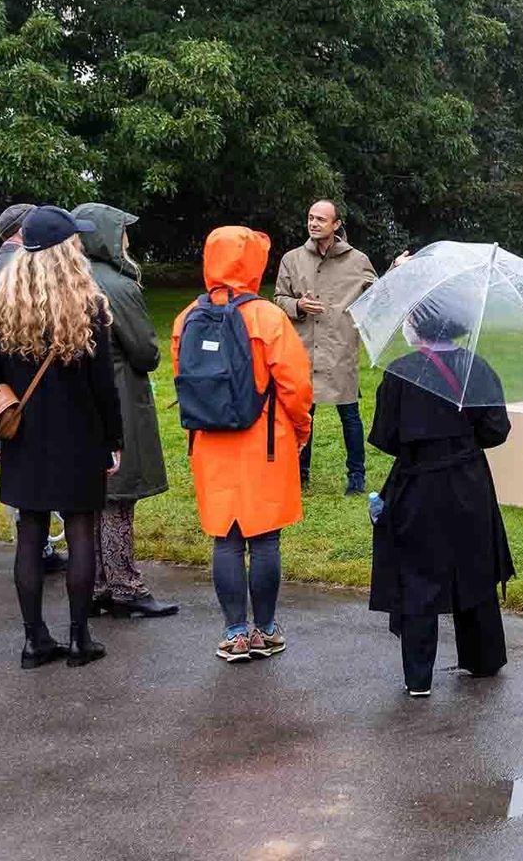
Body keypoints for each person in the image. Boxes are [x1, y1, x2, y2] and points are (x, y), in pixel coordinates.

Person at [172, 227, 313, 664]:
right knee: (265, 539)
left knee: (226, 539)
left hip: (210, 444)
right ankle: (265, 630)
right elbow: (295, 387)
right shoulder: (268, 318)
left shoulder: (185, 318)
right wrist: (301, 429)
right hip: (264, 443)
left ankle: (234, 632)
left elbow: (183, 380)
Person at [0, 206, 122, 668]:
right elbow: (104, 387)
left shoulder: (2, 306)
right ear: (65, 250)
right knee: (81, 530)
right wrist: (114, 440)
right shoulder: (89, 307)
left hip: (24, 437)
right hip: (79, 437)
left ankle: (34, 640)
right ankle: (79, 638)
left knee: (29, 533)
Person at [368, 301, 514, 698]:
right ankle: (483, 659)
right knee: (474, 567)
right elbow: (497, 429)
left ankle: (418, 678)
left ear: (420, 324)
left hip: (418, 485)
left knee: (418, 575)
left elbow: (386, 436)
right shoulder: (476, 367)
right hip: (470, 483)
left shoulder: (400, 372)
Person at [74, 203, 178, 619]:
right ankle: (125, 586)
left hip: (77, 400)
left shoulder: (68, 278)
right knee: (117, 495)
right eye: (123, 231)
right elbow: (145, 352)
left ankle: (96, 583)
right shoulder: (116, 286)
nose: (128, 239)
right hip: (117, 394)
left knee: (91, 497)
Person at [273, 200, 378, 495]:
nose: (314, 223)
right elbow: (279, 298)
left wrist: (395, 271)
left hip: (340, 348)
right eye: (311, 217)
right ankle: (299, 471)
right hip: (303, 349)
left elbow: (379, 294)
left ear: (336, 224)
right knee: (303, 414)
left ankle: (356, 476)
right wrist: (298, 305)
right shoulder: (292, 259)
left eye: (321, 219)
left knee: (350, 414)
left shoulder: (358, 261)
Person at [0, 203, 66, 575]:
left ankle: (37, 549)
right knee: (27, 482)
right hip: (18, 396)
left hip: (2, 392)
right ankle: (38, 550)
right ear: (24, 231)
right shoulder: (23, 269)